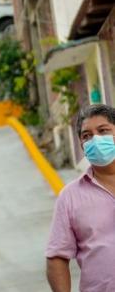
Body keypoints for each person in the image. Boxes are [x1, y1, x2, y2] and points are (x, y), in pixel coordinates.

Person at [46, 104, 115, 292]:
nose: (96, 140)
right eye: (87, 136)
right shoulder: (70, 197)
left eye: (103, 131)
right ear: (82, 146)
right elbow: (57, 257)